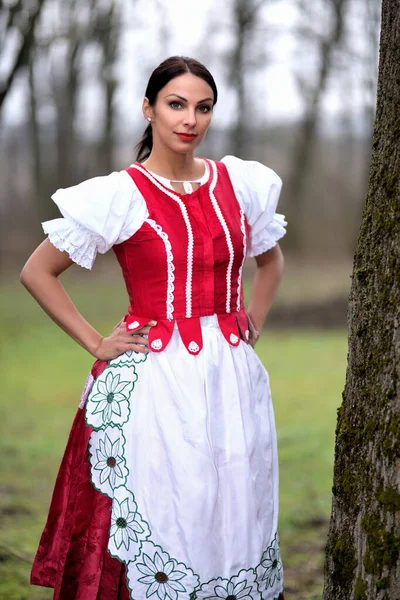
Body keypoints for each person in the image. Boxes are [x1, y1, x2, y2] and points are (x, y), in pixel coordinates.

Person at [21, 55, 287, 600]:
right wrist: (97, 341)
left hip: (231, 379)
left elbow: (271, 260)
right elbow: (37, 271)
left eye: (203, 107)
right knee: (168, 506)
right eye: (176, 104)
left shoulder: (239, 183)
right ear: (149, 109)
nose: (190, 119)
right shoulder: (121, 194)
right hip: (152, 382)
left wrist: (250, 319)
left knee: (232, 506)